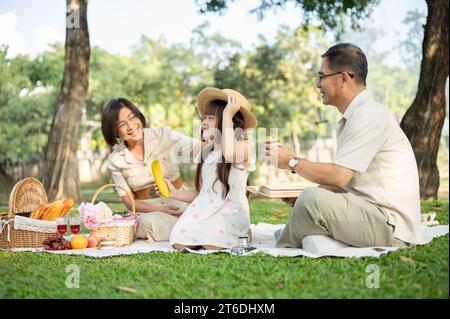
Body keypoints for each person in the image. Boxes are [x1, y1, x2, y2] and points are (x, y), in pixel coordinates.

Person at [265, 43, 422, 248]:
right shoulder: (357, 115)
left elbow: (338, 176)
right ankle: (296, 233)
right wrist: (300, 195)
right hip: (370, 212)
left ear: (344, 78)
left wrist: (290, 161)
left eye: (321, 76)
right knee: (309, 198)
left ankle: (284, 248)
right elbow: (347, 180)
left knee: (311, 201)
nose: (317, 84)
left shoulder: (367, 115)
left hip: (390, 225)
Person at [157, 87, 257, 250]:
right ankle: (217, 232)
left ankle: (243, 231)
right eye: (204, 117)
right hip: (204, 211)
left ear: (230, 120)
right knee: (179, 243)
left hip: (228, 213)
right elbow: (202, 193)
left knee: (211, 245)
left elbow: (229, 153)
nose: (204, 122)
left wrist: (227, 115)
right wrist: (175, 193)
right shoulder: (207, 152)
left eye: (211, 118)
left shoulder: (244, 147)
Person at [101, 98, 203, 242]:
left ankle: (189, 228)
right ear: (115, 131)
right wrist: (161, 210)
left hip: (180, 202)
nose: (131, 126)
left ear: (138, 115)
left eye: (132, 117)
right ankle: (193, 230)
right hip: (151, 212)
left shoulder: (164, 135)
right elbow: (130, 202)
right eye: (122, 124)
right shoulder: (116, 159)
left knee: (201, 212)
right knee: (150, 223)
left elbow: (200, 148)